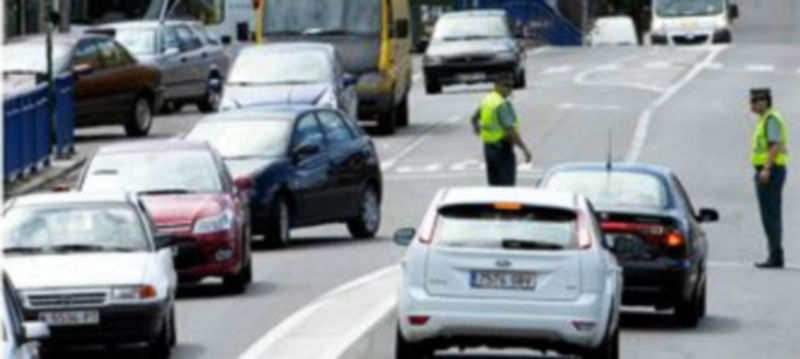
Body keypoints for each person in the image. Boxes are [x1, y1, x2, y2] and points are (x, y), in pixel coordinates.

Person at [750, 88, 789, 269]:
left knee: (771, 215)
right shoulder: (765, 120)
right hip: (769, 171)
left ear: (765, 102)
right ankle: (774, 253)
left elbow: (774, 146)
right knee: (769, 214)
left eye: (755, 101)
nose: (751, 105)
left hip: (770, 172)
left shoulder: (771, 120)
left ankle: (776, 254)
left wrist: (766, 169)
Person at [471, 74, 532, 186]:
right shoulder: (501, 105)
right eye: (506, 86)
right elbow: (510, 131)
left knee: (494, 186)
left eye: (511, 86)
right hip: (502, 150)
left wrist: (478, 130)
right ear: (496, 86)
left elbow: (474, 118)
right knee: (506, 186)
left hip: (489, 149)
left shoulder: (487, 99)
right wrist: (524, 149)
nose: (509, 89)